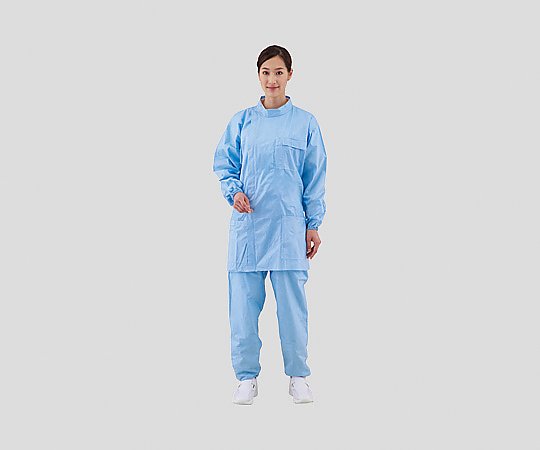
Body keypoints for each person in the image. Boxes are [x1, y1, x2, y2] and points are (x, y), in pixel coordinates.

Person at [212, 45, 327, 405]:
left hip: (289, 228)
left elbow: (314, 176)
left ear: (290, 74)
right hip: (249, 227)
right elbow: (225, 164)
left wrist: (313, 223)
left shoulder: (305, 123)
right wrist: (233, 192)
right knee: (243, 309)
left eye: (279, 72)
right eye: (266, 72)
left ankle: (298, 376)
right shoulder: (242, 122)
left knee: (293, 310)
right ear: (258, 75)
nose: (272, 79)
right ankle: (246, 377)